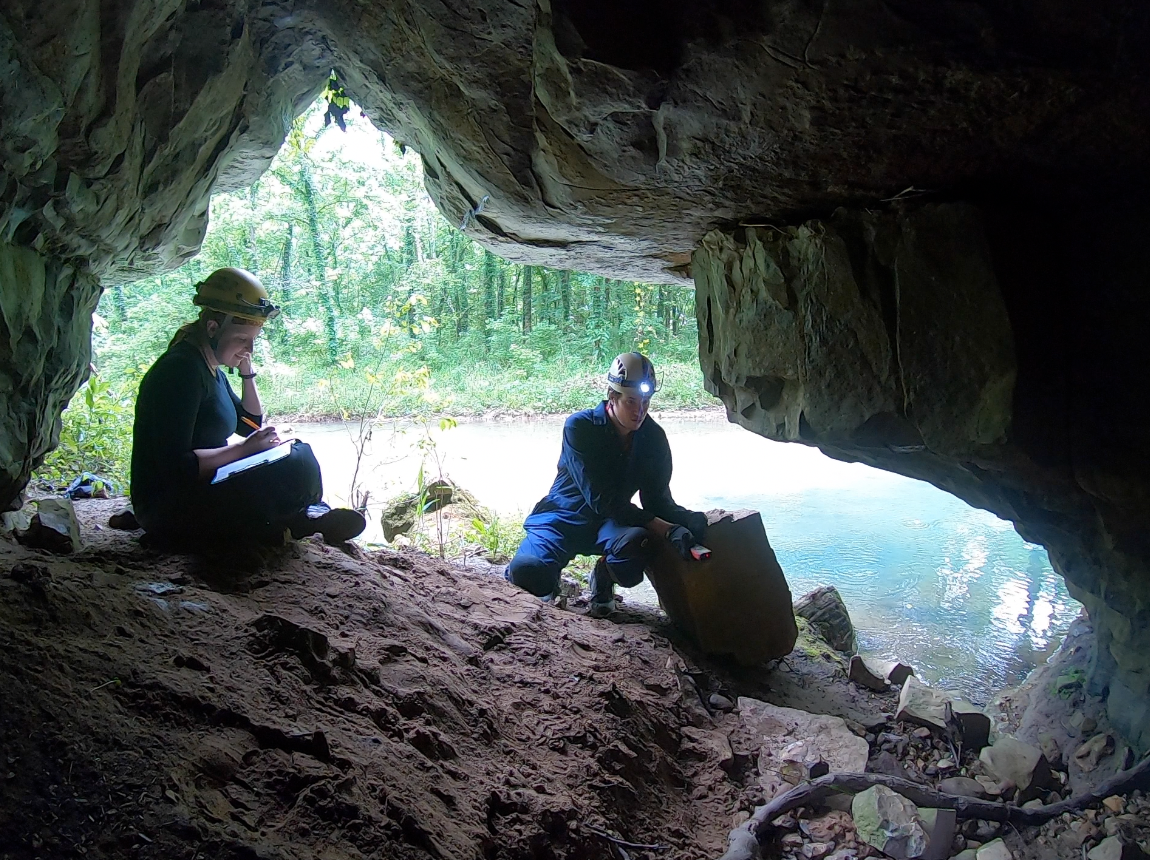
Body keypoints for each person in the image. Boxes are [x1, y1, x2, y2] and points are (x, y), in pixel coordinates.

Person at [130, 267, 366, 545]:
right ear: (213, 328)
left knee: (299, 451)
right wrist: (245, 450)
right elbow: (176, 469)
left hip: (200, 487)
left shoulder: (211, 367)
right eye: (243, 339)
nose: (249, 348)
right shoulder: (181, 371)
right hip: (168, 508)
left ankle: (305, 518)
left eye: (254, 340)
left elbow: (250, 423)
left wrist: (246, 370)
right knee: (293, 467)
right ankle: (303, 519)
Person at [506, 352, 708, 616]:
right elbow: (601, 499)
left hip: (610, 525)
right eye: (632, 401)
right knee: (528, 571)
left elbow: (657, 501)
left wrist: (689, 522)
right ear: (612, 397)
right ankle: (549, 581)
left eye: (646, 401)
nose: (640, 411)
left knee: (640, 543)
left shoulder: (653, 438)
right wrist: (668, 530)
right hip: (563, 517)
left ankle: (603, 576)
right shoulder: (580, 427)